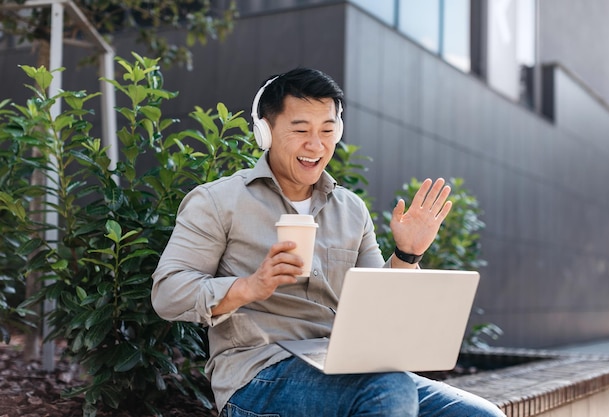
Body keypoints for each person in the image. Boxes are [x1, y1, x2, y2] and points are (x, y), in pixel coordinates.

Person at [151, 67, 504, 417]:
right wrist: (249, 287)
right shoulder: (218, 201)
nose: (316, 145)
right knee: (387, 388)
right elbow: (167, 293)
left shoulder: (351, 209)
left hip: (344, 369)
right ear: (265, 130)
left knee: (481, 415)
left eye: (327, 130)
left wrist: (407, 254)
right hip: (257, 376)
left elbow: (378, 309)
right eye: (301, 130)